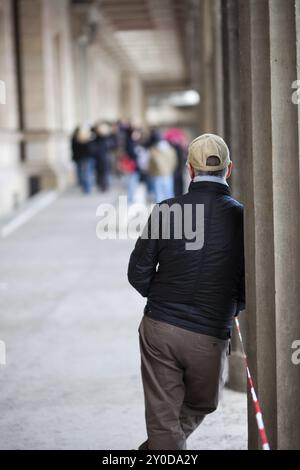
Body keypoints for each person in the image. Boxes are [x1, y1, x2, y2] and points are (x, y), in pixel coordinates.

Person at [127, 133, 245, 450]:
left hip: (160, 328)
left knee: (165, 420)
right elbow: (249, 283)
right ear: (229, 170)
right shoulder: (243, 218)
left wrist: (165, 299)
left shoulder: (166, 211)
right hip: (210, 332)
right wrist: (230, 304)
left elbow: (137, 273)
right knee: (203, 402)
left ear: (189, 170)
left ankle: (158, 448)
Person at [147, 130, 177, 203]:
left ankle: (160, 212)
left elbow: (151, 164)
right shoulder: (171, 150)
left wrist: (151, 172)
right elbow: (174, 162)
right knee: (169, 195)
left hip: (157, 175)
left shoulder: (154, 151)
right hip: (168, 174)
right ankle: (171, 212)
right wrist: (170, 170)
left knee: (159, 196)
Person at [71, 126, 95, 194]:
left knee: (84, 173)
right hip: (85, 158)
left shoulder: (80, 139)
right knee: (87, 173)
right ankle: (87, 187)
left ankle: (85, 187)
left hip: (83, 158)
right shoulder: (85, 140)